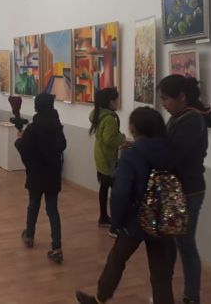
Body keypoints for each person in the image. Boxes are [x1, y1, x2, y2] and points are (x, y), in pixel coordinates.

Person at [75, 107, 176, 304]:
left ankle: (100, 299)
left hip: (135, 219)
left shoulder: (132, 154)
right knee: (160, 272)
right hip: (163, 218)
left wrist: (116, 222)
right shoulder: (169, 150)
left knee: (117, 259)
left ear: (134, 128)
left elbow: (121, 193)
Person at [157, 75, 211, 304]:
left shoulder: (191, 120)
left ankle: (192, 297)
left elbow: (172, 154)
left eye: (166, 98)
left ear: (182, 97)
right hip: (177, 189)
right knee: (175, 243)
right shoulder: (179, 116)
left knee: (185, 245)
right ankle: (166, 291)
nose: (163, 104)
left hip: (188, 191)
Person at [15, 93, 67, 264]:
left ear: (37, 107)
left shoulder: (33, 128)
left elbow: (26, 150)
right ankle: (57, 247)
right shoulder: (57, 126)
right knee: (53, 210)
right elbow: (62, 145)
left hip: (37, 173)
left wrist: (19, 141)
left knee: (33, 205)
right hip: (52, 173)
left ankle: (29, 235)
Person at [89, 88, 126, 233]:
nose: (118, 102)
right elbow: (109, 140)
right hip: (107, 157)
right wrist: (122, 137)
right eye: (117, 99)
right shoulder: (110, 118)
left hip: (100, 154)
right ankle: (115, 222)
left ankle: (103, 217)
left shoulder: (98, 113)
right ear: (111, 102)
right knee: (117, 191)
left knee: (104, 187)